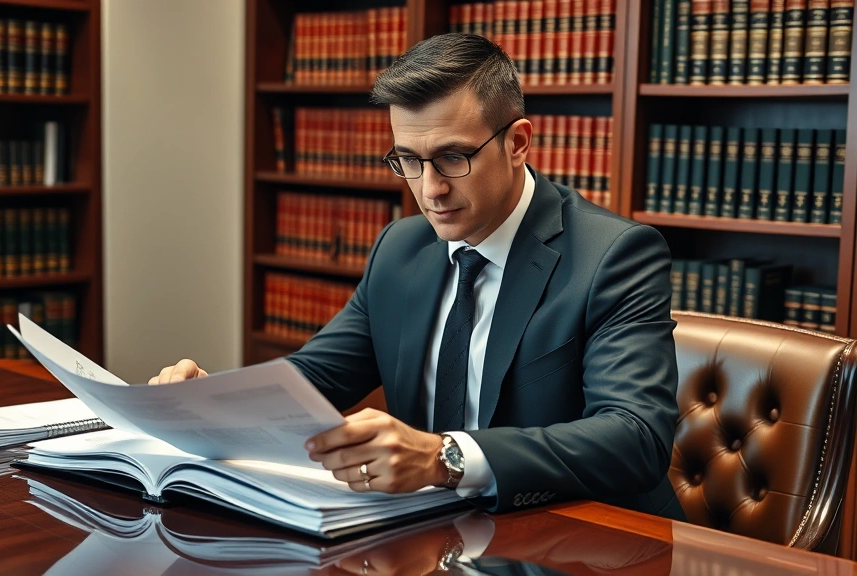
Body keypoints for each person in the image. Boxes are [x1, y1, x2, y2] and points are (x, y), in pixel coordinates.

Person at [151, 33, 684, 520]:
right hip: (429, 534)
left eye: (452, 158)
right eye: (407, 160)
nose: (429, 190)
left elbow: (635, 438)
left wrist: (443, 457)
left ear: (518, 142)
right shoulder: (400, 249)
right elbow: (311, 382)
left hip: (588, 538)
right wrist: (212, 403)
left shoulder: (615, 255)